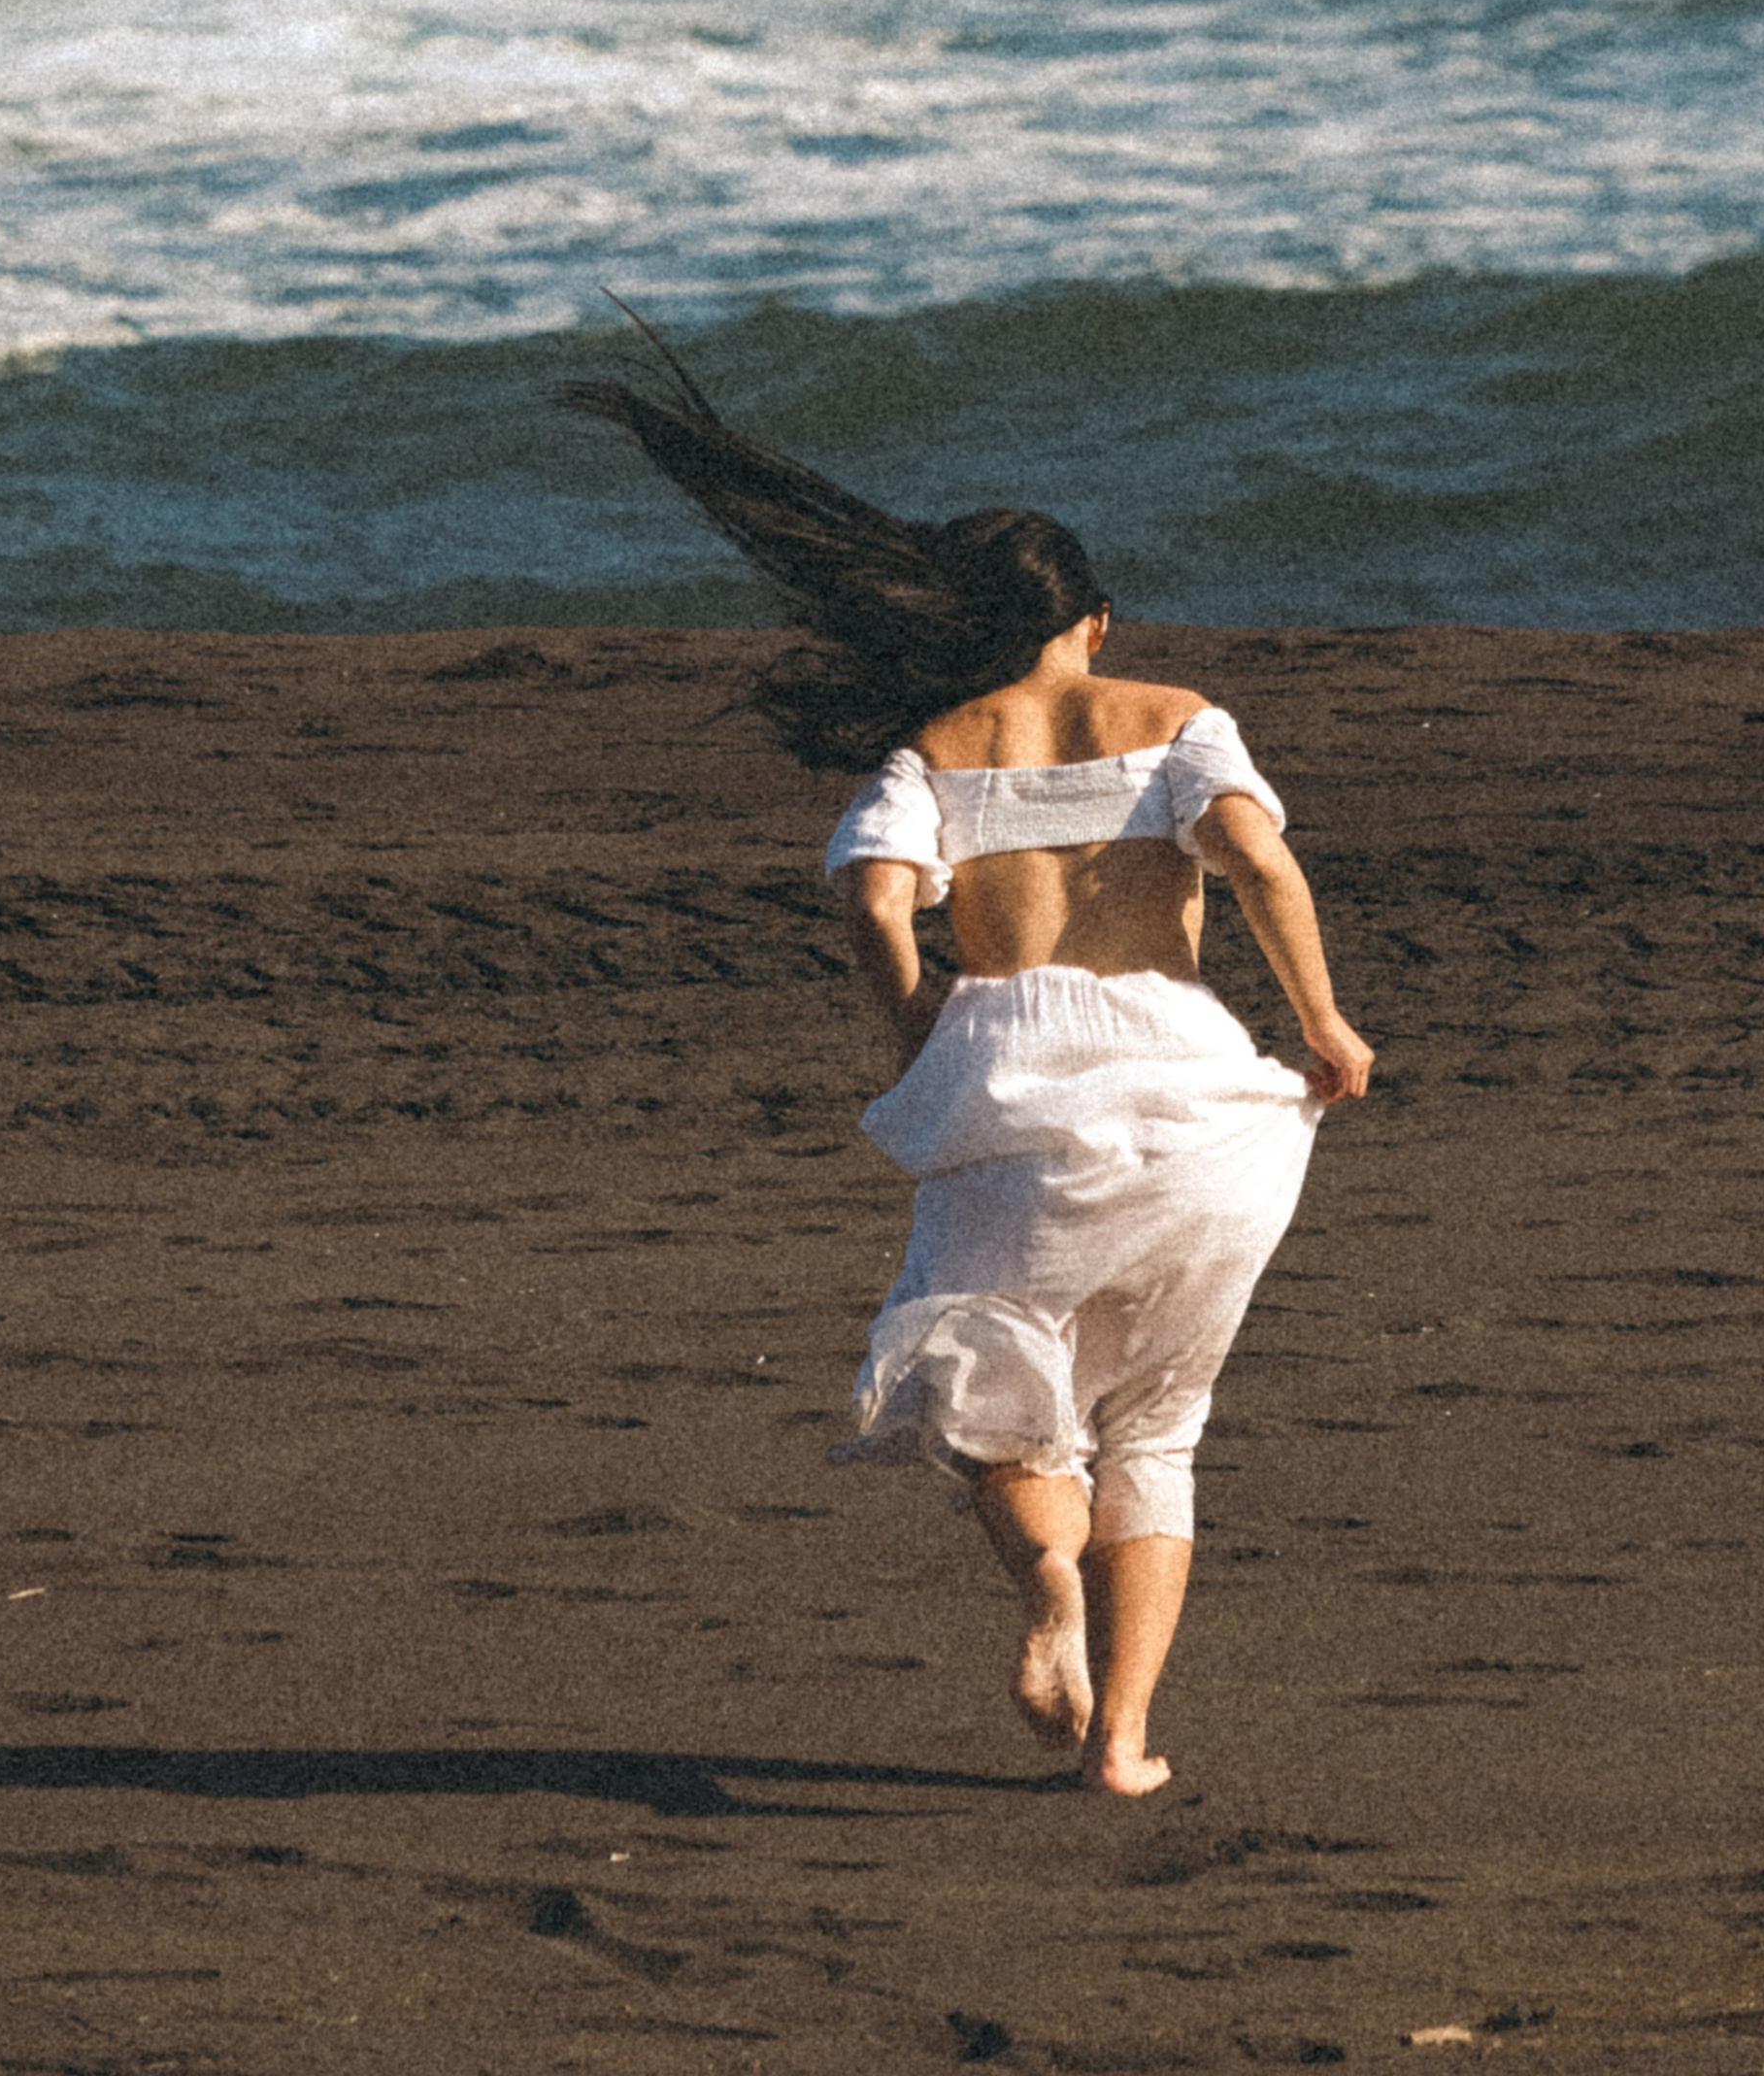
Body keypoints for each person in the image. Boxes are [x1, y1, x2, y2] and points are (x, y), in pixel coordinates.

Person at [560, 321, 1373, 1797]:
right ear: (1097, 623)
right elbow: (1255, 857)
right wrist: (1321, 1023)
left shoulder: (935, 749)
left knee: (990, 1392)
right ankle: (1122, 1745)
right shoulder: (1177, 720)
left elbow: (874, 897)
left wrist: (918, 1023)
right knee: (1163, 1429)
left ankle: (1046, 1585)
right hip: (1196, 1086)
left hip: (1013, 1073)